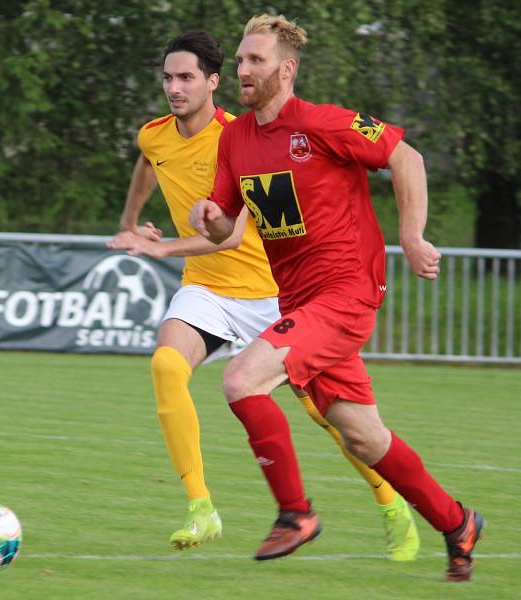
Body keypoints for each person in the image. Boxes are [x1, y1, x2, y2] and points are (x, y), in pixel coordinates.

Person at [188, 15, 484, 582]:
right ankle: (457, 522)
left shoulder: (325, 124)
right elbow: (226, 228)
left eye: (256, 61)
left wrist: (411, 236)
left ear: (286, 69)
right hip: (300, 305)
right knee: (364, 437)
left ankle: (295, 514)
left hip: (346, 291)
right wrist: (213, 216)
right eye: (242, 61)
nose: (243, 71)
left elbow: (408, 157)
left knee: (240, 380)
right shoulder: (236, 138)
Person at [109, 31, 419, 560]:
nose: (174, 88)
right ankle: (201, 507)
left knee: (333, 417)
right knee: (165, 365)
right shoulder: (154, 135)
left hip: (272, 293)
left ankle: (391, 502)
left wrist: (165, 250)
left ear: (213, 82)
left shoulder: (242, 138)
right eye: (167, 77)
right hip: (207, 289)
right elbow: (148, 161)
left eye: (186, 77)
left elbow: (231, 234)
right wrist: (131, 223)